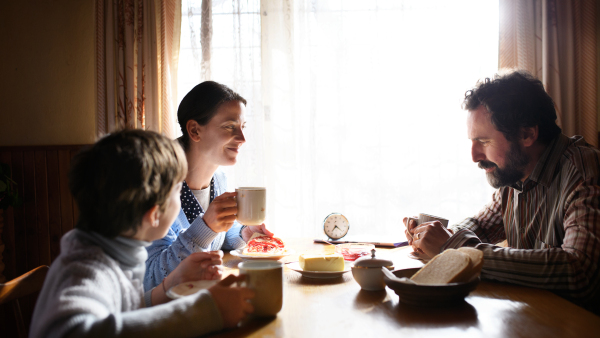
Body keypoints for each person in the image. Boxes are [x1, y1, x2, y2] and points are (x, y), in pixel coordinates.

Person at [404, 71, 600, 311]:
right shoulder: (516, 174)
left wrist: (452, 247)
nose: (474, 156)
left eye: (484, 142)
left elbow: (580, 273)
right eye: (472, 142)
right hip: (535, 318)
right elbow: (483, 226)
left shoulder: (585, 173)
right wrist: (436, 235)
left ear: (527, 134)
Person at [30, 130, 255, 337]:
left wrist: (171, 284)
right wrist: (205, 313)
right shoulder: (87, 271)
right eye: (178, 190)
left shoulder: (115, 254)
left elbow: (122, 312)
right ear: (153, 214)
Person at [144, 81, 274, 291]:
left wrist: (243, 233)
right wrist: (206, 227)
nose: (242, 138)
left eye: (243, 127)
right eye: (230, 126)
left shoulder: (218, 178)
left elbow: (215, 239)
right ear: (195, 130)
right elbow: (152, 278)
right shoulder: (156, 189)